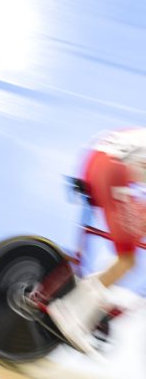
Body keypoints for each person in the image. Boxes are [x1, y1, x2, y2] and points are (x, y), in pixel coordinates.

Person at [48, 128, 146, 354]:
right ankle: (72, 314)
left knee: (137, 226)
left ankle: (89, 297)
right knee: (127, 261)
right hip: (111, 170)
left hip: (95, 161)